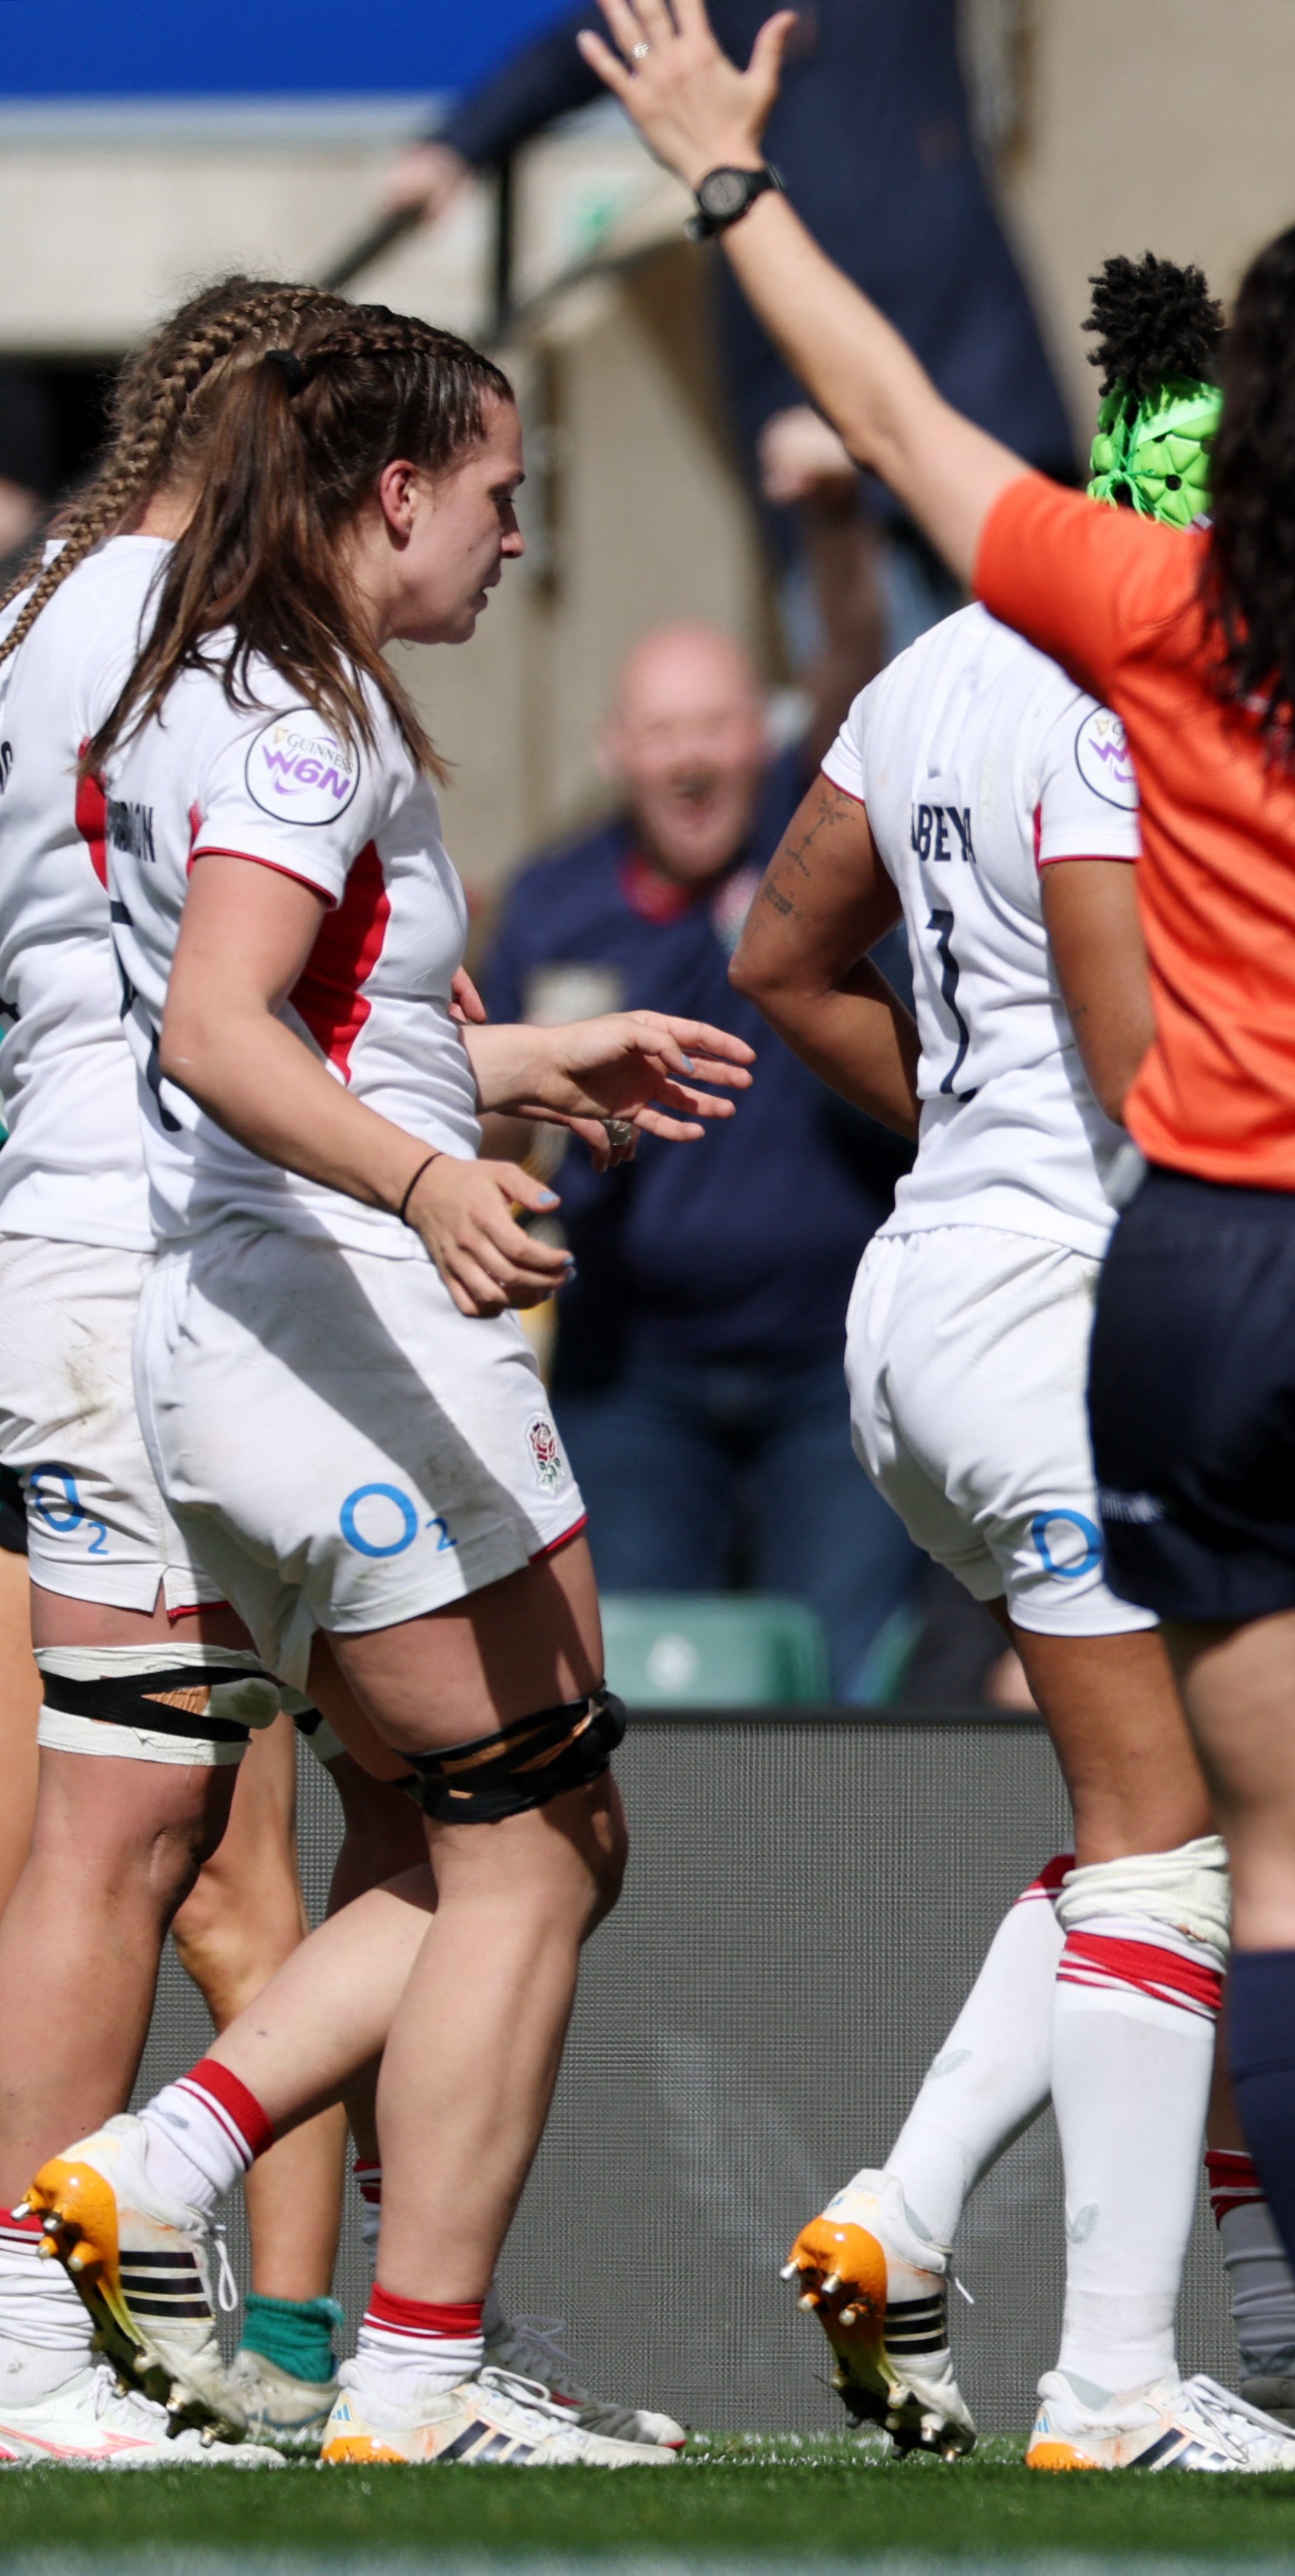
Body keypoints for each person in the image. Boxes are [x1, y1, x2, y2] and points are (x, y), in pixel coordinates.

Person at [584, 0, 1295, 2504]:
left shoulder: (1147, 620)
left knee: (1271, 1873)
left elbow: (903, 424)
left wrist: (725, 183)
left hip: (1197, 1289)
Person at [30, 299, 756, 2471]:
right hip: (327, 1325)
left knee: (241, 1829)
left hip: (184, 1318)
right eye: (506, 495)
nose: (523, 536)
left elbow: (298, 1010)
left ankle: (217, 2260)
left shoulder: (193, 668)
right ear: (392, 491)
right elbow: (227, 1028)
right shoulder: (283, 710)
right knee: (535, 1844)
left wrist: (494, 1079)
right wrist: (440, 1174)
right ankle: (359, 2311)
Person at [724, 253, 1295, 2477]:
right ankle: (1118, 2386)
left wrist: (971, 1133)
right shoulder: (1129, 698)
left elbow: (773, 954)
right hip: (1071, 1318)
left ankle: (901, 2212)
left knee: (1162, 1822)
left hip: (932, 1310)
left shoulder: (936, 666)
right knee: (1175, 1849)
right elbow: (1153, 1073)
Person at [0, 277, 365, 2472]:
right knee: (189, 1838)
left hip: (67, 1247)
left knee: (137, 1834)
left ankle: (166, 2326)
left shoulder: (41, 608)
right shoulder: (196, 650)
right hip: (149, 1266)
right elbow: (216, 1014)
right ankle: (121, 2340)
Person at [479, 620, 921, 1697]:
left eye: (717, 726)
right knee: (626, 1689)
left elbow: (856, 673)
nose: (690, 757)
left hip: (833, 1362)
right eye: (663, 730)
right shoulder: (555, 901)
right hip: (635, 1373)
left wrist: (828, 529)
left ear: (762, 746)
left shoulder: (823, 877)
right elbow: (496, 1135)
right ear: (614, 752)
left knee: (848, 1689)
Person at [381, 0, 1075, 640]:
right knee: (885, 714)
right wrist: (457, 146)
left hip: (974, 369)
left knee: (1063, 671)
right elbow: (593, 40)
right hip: (808, 394)